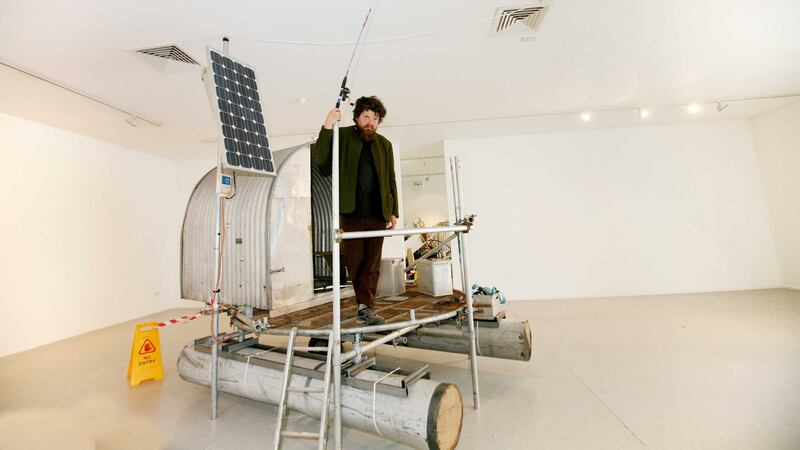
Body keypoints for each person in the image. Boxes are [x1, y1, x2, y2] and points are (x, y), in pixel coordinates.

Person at [313, 96, 398, 326]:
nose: (371, 122)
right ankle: (363, 304)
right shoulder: (343, 136)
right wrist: (328, 125)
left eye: (375, 118)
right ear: (357, 117)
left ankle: (365, 307)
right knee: (356, 260)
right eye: (367, 117)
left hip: (378, 213)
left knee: (372, 263)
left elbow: (391, 179)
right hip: (351, 213)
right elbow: (321, 161)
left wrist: (394, 210)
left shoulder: (385, 145)